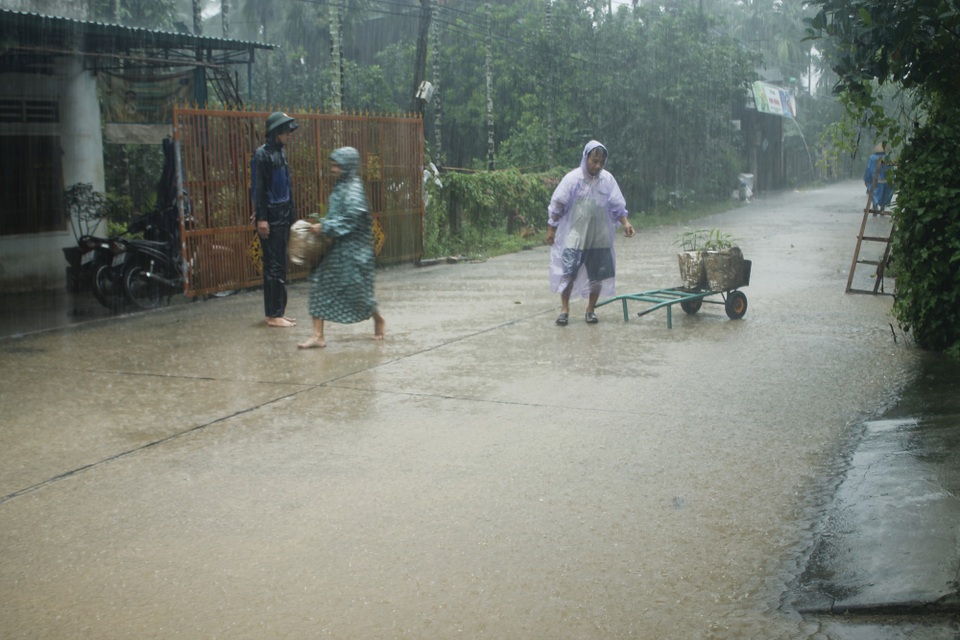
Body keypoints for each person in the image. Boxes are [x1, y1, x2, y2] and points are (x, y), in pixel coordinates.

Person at [298, 147, 385, 349]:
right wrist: (323, 225)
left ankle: (378, 318)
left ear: (347, 166)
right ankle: (318, 336)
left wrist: (326, 226)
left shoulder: (353, 190)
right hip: (337, 247)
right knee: (319, 283)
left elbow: (351, 219)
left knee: (358, 290)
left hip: (355, 251)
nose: (334, 169)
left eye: (337, 166)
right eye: (333, 165)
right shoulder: (341, 186)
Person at [546, 140, 634, 325]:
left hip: (599, 236)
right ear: (586, 157)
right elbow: (558, 205)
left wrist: (625, 223)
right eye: (594, 160)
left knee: (598, 274)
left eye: (601, 162)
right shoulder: (572, 179)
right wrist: (551, 229)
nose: (597, 165)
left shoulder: (607, 180)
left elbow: (617, 205)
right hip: (576, 235)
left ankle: (590, 309)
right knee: (569, 272)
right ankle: (564, 309)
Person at [252, 112, 298, 327]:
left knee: (281, 266)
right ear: (276, 132)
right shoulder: (261, 155)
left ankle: (279, 311)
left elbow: (287, 188)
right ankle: (272, 314)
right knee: (273, 267)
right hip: (270, 218)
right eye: (287, 131)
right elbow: (259, 189)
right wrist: (262, 218)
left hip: (283, 216)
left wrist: (293, 217)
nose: (290, 135)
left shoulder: (281, 153)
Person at [864, 143, 894, 214]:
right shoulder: (887, 157)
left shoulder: (872, 158)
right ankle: (882, 209)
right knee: (884, 193)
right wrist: (892, 179)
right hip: (885, 180)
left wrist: (866, 180)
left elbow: (868, 169)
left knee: (874, 193)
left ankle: (875, 207)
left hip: (874, 180)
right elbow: (891, 170)